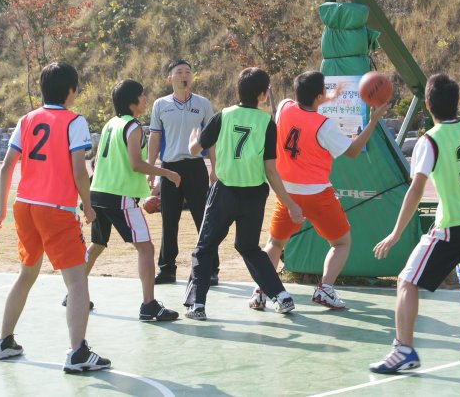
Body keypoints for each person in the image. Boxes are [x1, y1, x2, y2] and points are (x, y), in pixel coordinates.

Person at [369, 73, 460, 374]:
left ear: (427, 105)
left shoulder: (429, 140)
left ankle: (403, 350)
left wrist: (395, 234)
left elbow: (416, 190)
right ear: (457, 103)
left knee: (406, 280)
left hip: (452, 228)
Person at [0, 61, 110, 373]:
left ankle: (3, 341)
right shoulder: (75, 122)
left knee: (26, 275)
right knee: (77, 282)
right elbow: (78, 170)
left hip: (25, 206)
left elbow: (6, 168)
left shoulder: (27, 119)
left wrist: (2, 209)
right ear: (72, 90)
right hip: (55, 209)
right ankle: (77, 352)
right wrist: (87, 204)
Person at [253, 71, 389, 311]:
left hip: (288, 192)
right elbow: (353, 151)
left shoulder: (284, 108)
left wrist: (326, 98)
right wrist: (373, 121)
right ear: (318, 96)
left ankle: (261, 291)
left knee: (274, 244)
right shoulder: (325, 126)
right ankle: (325, 289)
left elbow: (305, 106)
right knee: (341, 243)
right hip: (316, 193)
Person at [183, 67, 305, 320]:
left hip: (225, 192)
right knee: (249, 247)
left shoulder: (224, 115)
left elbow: (195, 150)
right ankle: (281, 296)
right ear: (262, 94)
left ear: (238, 90)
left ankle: (197, 305)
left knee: (204, 248)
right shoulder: (267, 123)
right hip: (254, 194)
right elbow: (271, 170)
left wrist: (192, 139)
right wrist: (290, 203)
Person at [78, 79, 180, 322]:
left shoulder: (110, 124)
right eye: (142, 95)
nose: (145, 99)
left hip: (99, 192)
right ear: (132, 102)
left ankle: (75, 293)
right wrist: (166, 173)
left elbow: (114, 161)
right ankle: (149, 306)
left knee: (98, 245)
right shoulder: (133, 126)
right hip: (119, 197)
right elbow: (135, 163)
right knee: (146, 247)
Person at [147, 59, 218, 285]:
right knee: (169, 219)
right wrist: (152, 168)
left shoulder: (203, 104)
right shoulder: (160, 104)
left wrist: (214, 168)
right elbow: (155, 137)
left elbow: (212, 139)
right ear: (170, 78)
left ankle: (210, 268)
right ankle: (167, 269)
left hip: (196, 166)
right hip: (169, 168)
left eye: (188, 71)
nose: (184, 75)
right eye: (179, 72)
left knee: (203, 218)